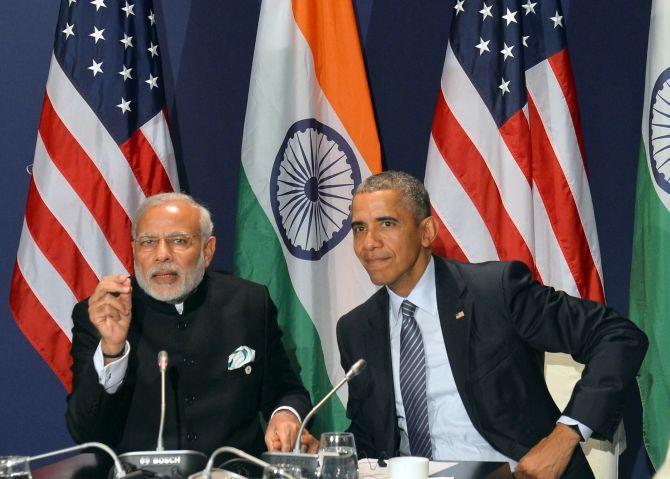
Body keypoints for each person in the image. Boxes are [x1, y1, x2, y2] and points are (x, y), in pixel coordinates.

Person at [336, 171, 648, 478]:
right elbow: (370, 435)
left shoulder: (494, 292)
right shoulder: (356, 328)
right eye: (359, 229)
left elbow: (618, 336)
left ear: (426, 231)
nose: (369, 243)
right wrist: (327, 455)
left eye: (386, 224)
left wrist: (564, 436)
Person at [66, 192, 317, 457]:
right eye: (149, 242)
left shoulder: (249, 303)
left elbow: (287, 391)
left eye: (178, 241)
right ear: (134, 250)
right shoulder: (104, 314)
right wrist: (112, 350)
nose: (162, 255)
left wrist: (285, 415)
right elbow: (86, 433)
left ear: (207, 251)